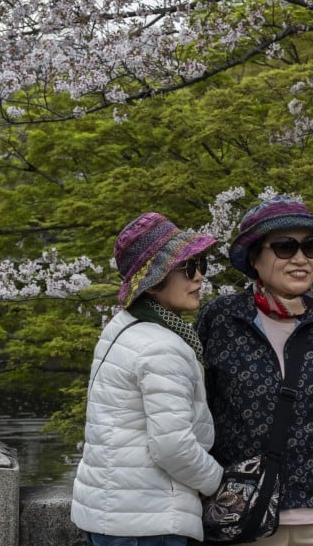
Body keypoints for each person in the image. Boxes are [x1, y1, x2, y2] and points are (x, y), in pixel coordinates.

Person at [196, 195, 313, 546]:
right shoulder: (220, 319)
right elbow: (202, 408)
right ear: (254, 257)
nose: (301, 259)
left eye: (310, 247)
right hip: (243, 510)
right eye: (285, 247)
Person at [71, 212, 224, 546]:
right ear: (154, 282)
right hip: (146, 523)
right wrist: (218, 484)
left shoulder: (121, 328)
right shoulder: (161, 346)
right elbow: (172, 447)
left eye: (201, 264)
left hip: (113, 514)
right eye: (188, 268)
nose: (199, 278)